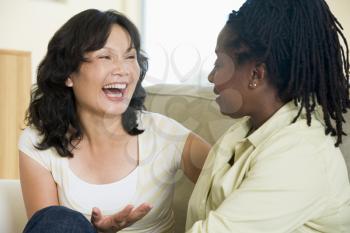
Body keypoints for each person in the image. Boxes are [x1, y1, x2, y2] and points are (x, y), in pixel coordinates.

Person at [19, 9, 210, 233]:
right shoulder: (37, 143)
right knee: (58, 220)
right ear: (68, 74)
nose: (123, 70)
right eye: (105, 56)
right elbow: (46, 227)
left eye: (130, 57)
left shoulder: (165, 134)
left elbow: (231, 185)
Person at [186, 0, 350, 232]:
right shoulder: (244, 132)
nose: (212, 77)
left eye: (219, 63)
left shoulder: (301, 153)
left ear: (256, 74)